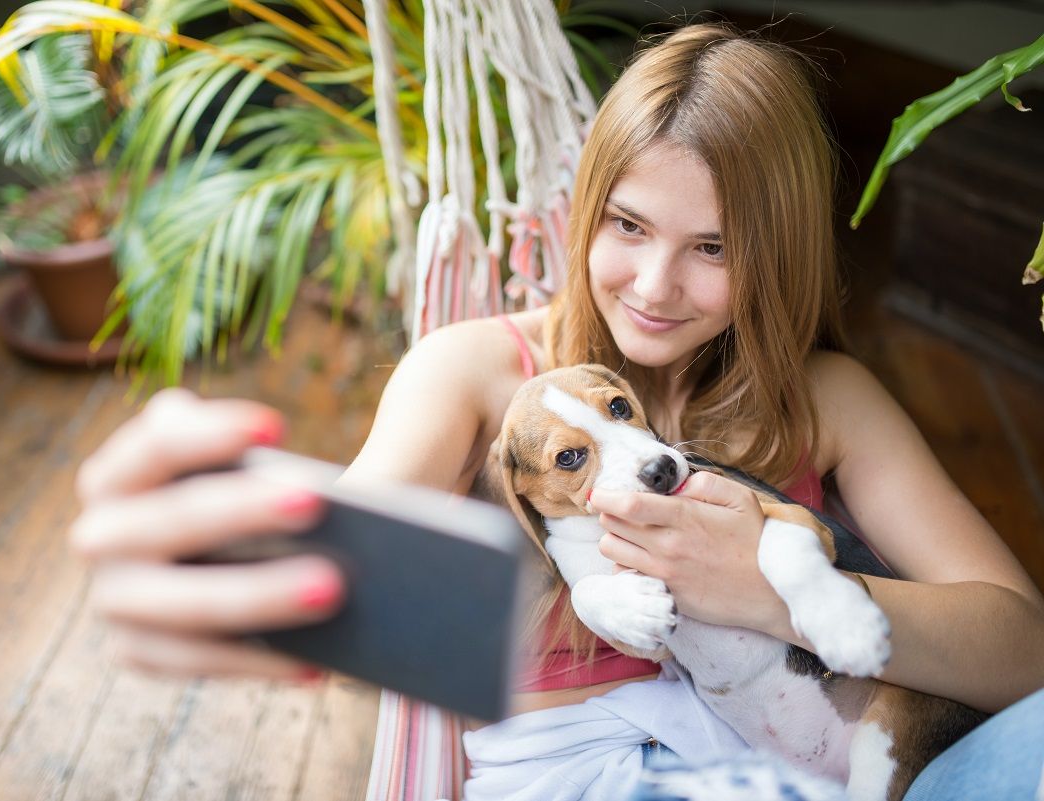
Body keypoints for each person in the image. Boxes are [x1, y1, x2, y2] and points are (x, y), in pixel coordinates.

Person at [68, 22, 1044, 800]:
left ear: (778, 256)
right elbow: (336, 550)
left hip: (840, 760)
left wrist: (758, 583)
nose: (655, 285)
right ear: (583, 210)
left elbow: (1021, 649)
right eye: (627, 226)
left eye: (713, 247)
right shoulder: (478, 374)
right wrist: (210, 547)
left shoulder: (824, 396)